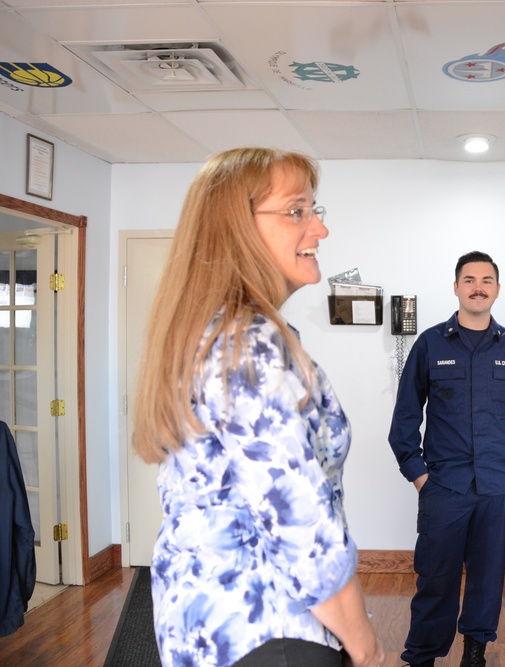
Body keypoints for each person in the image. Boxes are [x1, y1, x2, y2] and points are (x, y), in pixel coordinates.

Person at [132, 147, 384, 667]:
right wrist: (367, 648)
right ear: (236, 230)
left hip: (211, 628)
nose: (319, 229)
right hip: (269, 632)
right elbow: (300, 524)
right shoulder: (246, 341)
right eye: (297, 211)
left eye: (316, 211)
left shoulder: (216, 333)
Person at [388, 251, 505, 667]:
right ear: (456, 286)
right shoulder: (430, 344)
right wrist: (420, 477)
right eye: (470, 279)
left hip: (498, 486)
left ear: (497, 289)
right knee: (435, 578)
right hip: (445, 487)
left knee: (488, 576)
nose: (478, 287)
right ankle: (422, 656)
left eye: (487, 280)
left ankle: (475, 652)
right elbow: (404, 419)